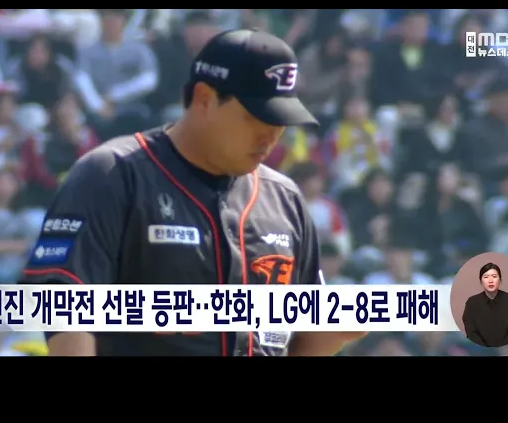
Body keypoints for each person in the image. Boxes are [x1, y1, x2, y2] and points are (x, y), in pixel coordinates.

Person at [20, 28, 368, 356]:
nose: (269, 137)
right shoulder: (113, 174)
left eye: (279, 123)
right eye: (256, 119)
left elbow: (305, 334)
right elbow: (65, 309)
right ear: (204, 99)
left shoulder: (285, 199)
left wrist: (336, 330)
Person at [461, 262, 508, 348]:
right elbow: (471, 331)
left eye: (494, 276)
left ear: (500, 280)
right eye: (486, 277)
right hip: (479, 349)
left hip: (507, 348)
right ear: (481, 281)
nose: (490, 281)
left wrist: (502, 347)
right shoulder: (472, 302)